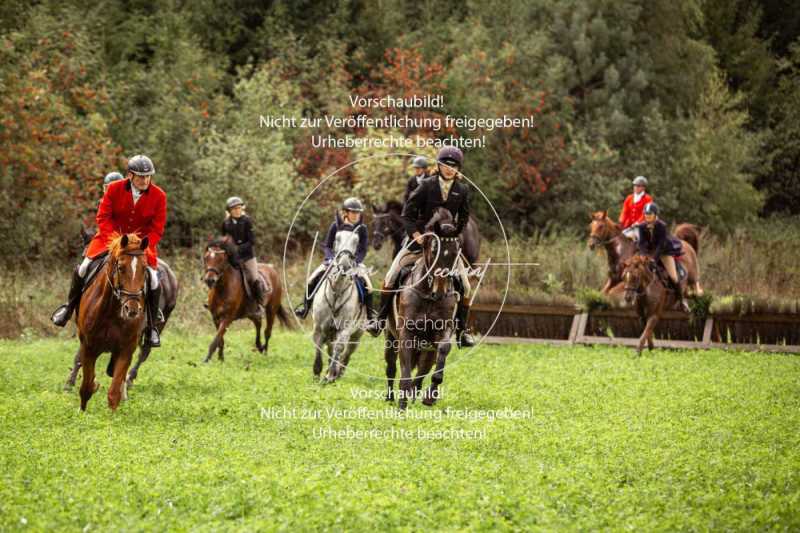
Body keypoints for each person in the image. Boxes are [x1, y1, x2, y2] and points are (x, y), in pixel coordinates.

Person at [51, 155, 167, 347]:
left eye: (148, 176)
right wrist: (114, 241)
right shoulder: (113, 189)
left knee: (154, 280)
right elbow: (103, 217)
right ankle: (68, 308)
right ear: (130, 175)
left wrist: (142, 245)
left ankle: (152, 327)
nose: (145, 180)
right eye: (141, 176)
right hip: (109, 240)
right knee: (83, 268)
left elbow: (157, 228)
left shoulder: (159, 196)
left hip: (139, 248)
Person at [366, 146, 475, 348]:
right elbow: (407, 214)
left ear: (458, 168)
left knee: (466, 286)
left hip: (446, 248)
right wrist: (416, 235)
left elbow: (464, 218)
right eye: (446, 165)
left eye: (454, 166)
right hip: (419, 242)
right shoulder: (426, 185)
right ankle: (379, 322)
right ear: (439, 166)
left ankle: (462, 332)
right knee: (391, 275)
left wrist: (454, 236)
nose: (450, 169)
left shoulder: (462, 190)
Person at [293, 197, 374, 320]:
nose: (356, 215)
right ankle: (305, 307)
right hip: (334, 261)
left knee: (369, 286)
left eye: (358, 212)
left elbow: (363, 249)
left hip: (354, 263)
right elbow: (328, 246)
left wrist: (356, 261)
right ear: (346, 212)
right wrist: (330, 258)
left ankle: (370, 317)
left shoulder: (362, 229)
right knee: (311, 279)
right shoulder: (335, 226)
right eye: (353, 212)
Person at [636, 202, 690, 312]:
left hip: (664, 252)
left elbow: (661, 245)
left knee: (674, 277)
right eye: (646, 214)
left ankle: (682, 300)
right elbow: (641, 243)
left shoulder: (661, 226)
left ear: (655, 215)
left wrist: (653, 259)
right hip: (649, 252)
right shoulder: (641, 226)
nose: (647, 217)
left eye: (649, 214)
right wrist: (643, 255)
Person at [221, 196, 269, 306]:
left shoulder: (247, 221)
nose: (238, 211)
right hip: (232, 258)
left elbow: (252, 241)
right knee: (216, 274)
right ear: (229, 211)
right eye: (234, 209)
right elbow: (224, 239)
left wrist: (238, 249)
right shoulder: (225, 223)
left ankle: (260, 303)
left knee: (254, 277)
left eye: (239, 208)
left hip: (247, 256)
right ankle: (213, 301)